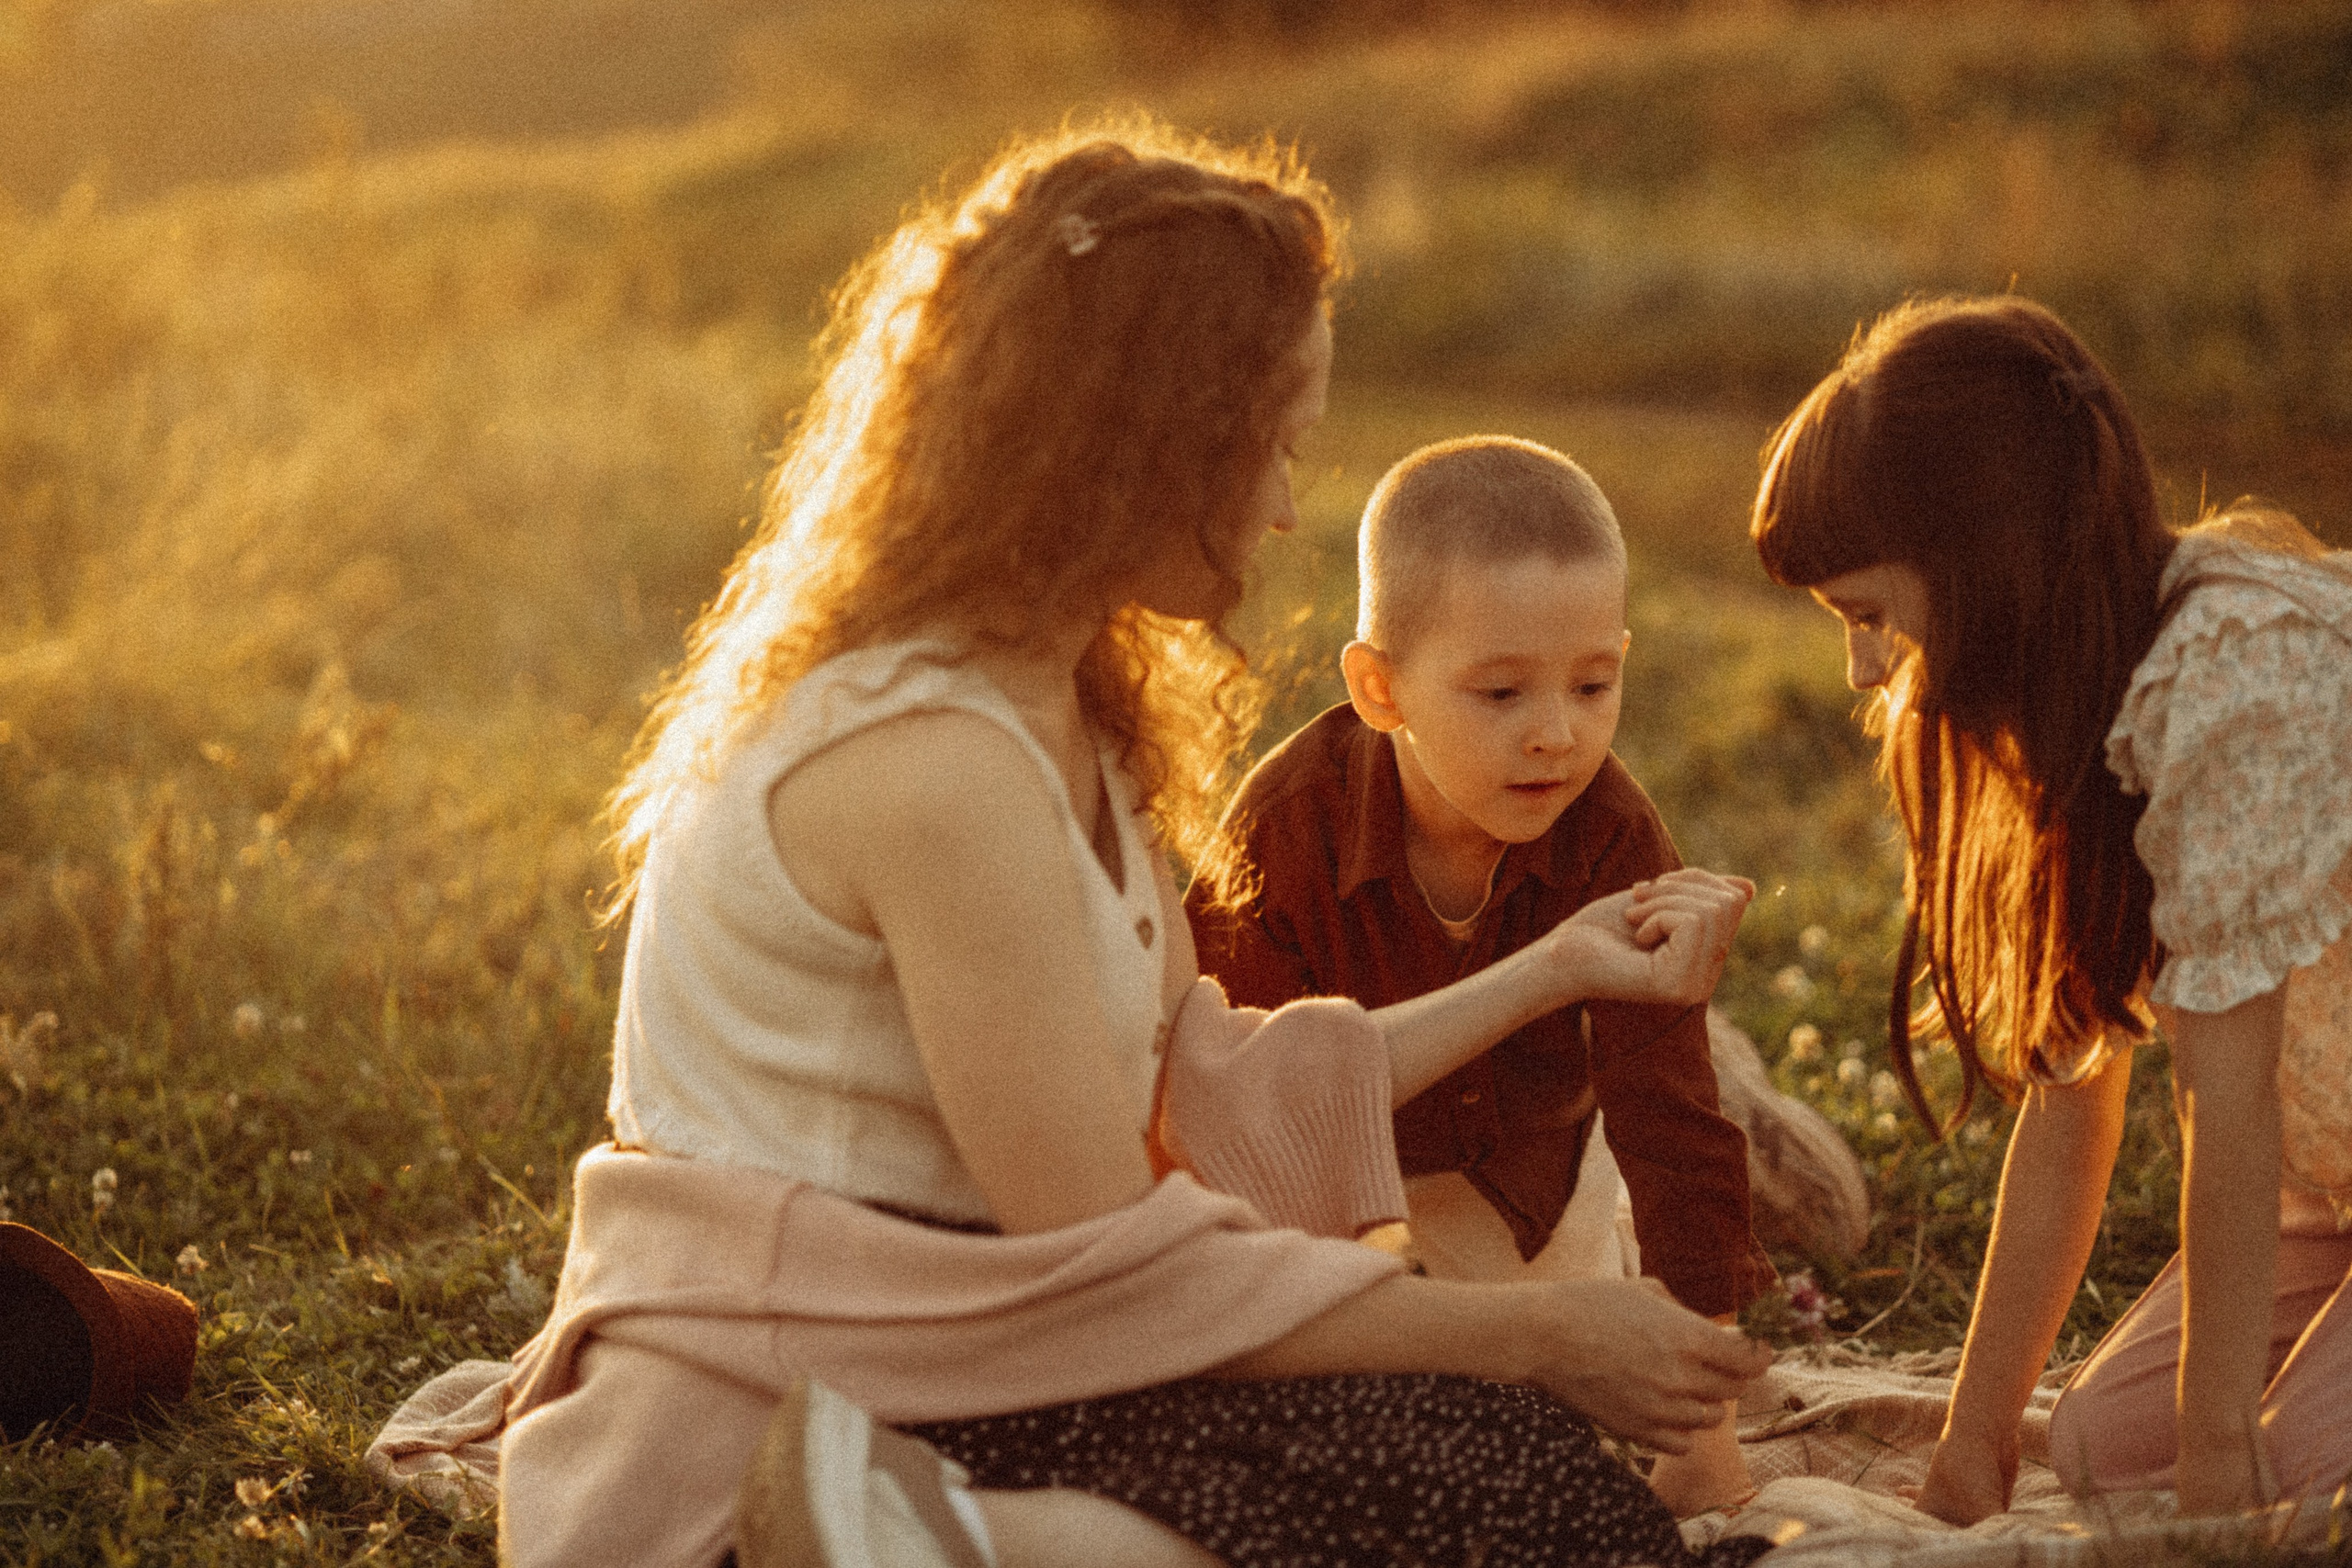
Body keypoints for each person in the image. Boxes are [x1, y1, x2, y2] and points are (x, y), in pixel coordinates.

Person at [399, 122, 1780, 1568]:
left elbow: (1209, 1080)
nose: (1285, 506)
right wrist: (1539, 1327)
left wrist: (1554, 967)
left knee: (1536, 1488)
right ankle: (941, 1542)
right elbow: (1110, 1259)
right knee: (1492, 1483)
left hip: (992, 1343)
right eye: (1271, 449)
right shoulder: (931, 765)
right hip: (809, 1387)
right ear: (1142, 443)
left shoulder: (1064, 706)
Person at [1748, 293, 2352, 1523]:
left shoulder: (2236, 673)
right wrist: (1975, 1443)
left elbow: (2222, 1105)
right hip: (2329, 1192)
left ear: (1982, 558)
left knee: (2271, 1476)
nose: (1863, 669)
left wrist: (2222, 1468)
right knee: (2088, 1445)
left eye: (1868, 613)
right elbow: (2072, 1113)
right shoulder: (2087, 704)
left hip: (2291, 1163)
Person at [1185, 434, 1774, 1517]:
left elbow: (1670, 1115)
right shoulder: (1285, 830)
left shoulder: (1612, 837)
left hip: (1533, 1197)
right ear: (1380, 688)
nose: (1556, 734)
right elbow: (1234, 1121)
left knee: (1554, 1401)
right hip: (1338, 1214)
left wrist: (1704, 1427)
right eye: (1500, 693)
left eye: (1594, 684)